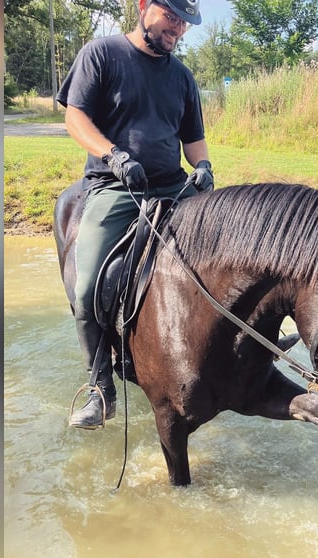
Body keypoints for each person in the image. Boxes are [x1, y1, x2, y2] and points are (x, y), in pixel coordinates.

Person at [56, 0, 214, 429]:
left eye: (185, 23)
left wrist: (202, 166)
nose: (179, 28)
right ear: (145, 6)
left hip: (173, 187)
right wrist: (113, 154)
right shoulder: (102, 54)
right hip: (115, 186)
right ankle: (99, 390)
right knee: (86, 288)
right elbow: (75, 117)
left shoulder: (182, 77)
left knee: (223, 268)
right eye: (173, 17)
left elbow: (193, 138)